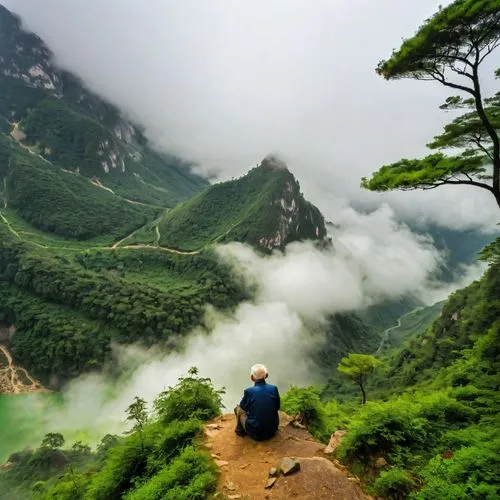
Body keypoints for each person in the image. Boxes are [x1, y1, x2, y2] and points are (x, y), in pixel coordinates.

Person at [234, 363, 280, 441]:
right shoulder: (273, 389)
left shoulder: (249, 391)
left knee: (238, 408)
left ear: (252, 378)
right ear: (267, 375)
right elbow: (277, 407)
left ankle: (240, 431)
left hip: (255, 433)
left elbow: (243, 407)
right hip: (272, 430)